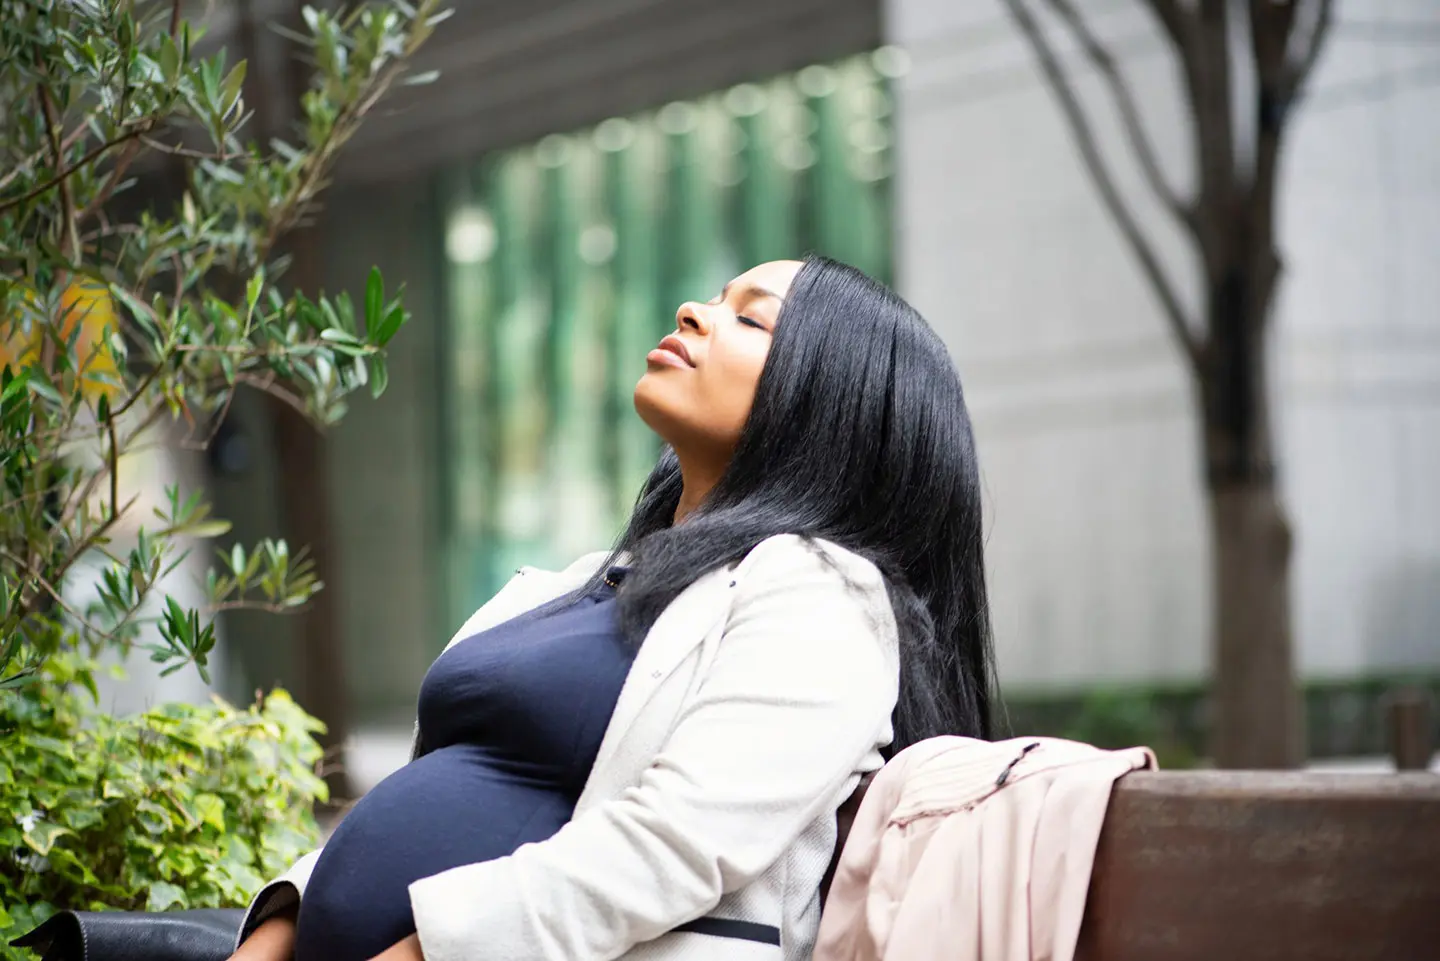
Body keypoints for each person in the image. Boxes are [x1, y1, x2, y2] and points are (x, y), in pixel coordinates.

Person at [229, 256, 995, 961]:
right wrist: (276, 932)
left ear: (832, 403)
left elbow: (676, 842)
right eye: (714, 296)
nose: (694, 310)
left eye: (751, 317)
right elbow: (429, 787)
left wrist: (417, 952)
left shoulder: (824, 593)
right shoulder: (580, 580)